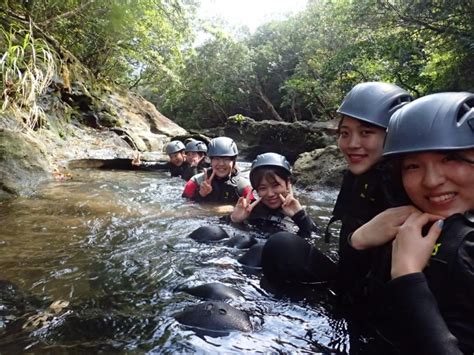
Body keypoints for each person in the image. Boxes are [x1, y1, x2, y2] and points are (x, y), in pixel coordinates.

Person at [349, 92, 474, 354]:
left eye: (449, 158)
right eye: (413, 166)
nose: (431, 181)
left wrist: (408, 277)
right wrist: (357, 241)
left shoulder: (466, 247)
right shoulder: (405, 222)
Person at [261, 82, 414, 291]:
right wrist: (300, 216)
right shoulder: (358, 178)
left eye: (366, 132)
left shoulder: (409, 186)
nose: (351, 144)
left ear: (394, 135)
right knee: (275, 247)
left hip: (381, 300)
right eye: (345, 133)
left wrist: (359, 241)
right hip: (350, 280)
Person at [182, 137, 252, 203]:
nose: (221, 164)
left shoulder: (243, 187)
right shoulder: (195, 182)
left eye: (226, 159)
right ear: (211, 161)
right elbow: (184, 208)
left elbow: (256, 210)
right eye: (216, 158)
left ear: (233, 161)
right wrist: (200, 195)